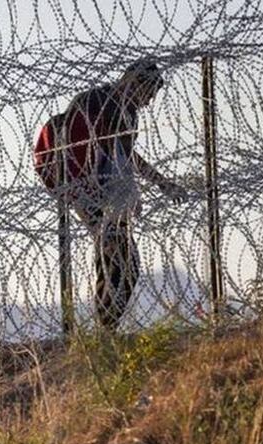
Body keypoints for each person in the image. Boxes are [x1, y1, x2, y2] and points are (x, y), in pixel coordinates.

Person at [60, 59, 188, 329]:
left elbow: (127, 157)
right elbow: (72, 145)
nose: (148, 102)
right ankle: (106, 328)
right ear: (133, 82)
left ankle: (107, 328)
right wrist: (87, 188)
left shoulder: (128, 113)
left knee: (119, 260)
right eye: (148, 94)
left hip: (112, 196)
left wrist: (161, 183)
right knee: (119, 258)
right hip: (89, 190)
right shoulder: (95, 101)